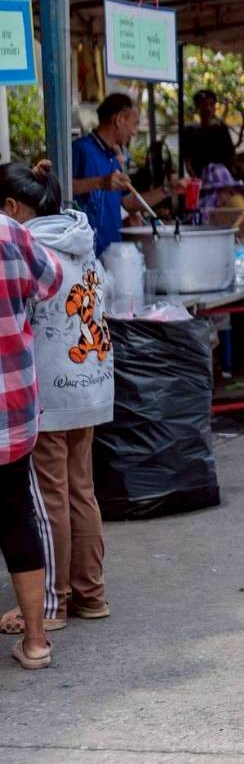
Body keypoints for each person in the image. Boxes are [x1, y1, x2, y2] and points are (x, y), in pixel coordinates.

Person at [0, 164, 112, 637]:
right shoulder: (81, 240)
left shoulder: (26, 245)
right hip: (91, 380)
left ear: (12, 208)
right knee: (80, 488)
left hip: (44, 387)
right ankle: (91, 593)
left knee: (50, 499)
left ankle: (53, 604)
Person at [0, 180, 63, 670]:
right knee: (17, 514)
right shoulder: (12, 233)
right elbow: (52, 280)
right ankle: (37, 642)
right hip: (11, 405)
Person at [71, 93, 167, 257]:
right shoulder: (81, 149)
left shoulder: (112, 159)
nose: (135, 132)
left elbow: (129, 202)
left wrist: (167, 190)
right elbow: (61, 187)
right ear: (120, 119)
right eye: (134, 124)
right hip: (86, 253)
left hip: (112, 251)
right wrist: (100, 182)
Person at [181, 89, 235, 177]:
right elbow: (187, 160)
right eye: (204, 104)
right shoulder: (189, 131)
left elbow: (230, 157)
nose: (208, 108)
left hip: (221, 180)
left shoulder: (221, 129)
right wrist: (197, 180)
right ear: (198, 107)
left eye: (211, 104)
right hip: (200, 180)